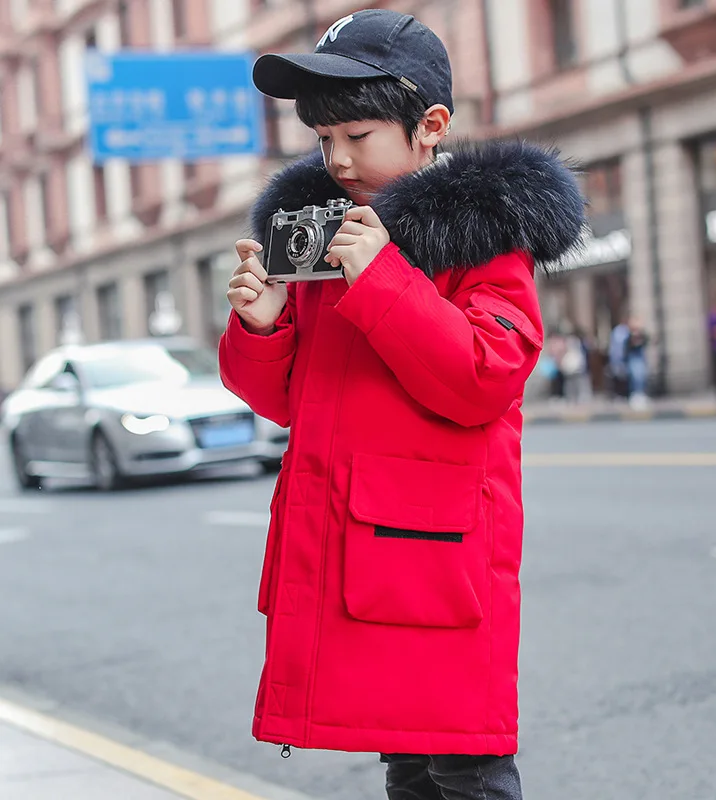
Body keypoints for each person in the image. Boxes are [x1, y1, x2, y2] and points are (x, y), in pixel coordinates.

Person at [218, 9, 584, 799]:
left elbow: (486, 376)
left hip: (437, 556)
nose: (339, 159)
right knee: (409, 768)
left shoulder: (483, 232)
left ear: (430, 125)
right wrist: (262, 325)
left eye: (358, 135)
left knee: (468, 767)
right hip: (365, 547)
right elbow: (291, 401)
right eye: (324, 141)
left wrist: (381, 276)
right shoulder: (327, 237)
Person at [625, 317, 650, 408]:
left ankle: (641, 394)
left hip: (640, 358)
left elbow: (647, 341)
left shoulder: (642, 335)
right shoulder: (628, 336)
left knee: (641, 376)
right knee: (634, 376)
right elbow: (627, 347)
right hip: (633, 358)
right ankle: (635, 395)